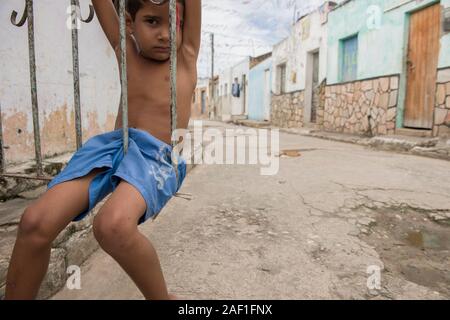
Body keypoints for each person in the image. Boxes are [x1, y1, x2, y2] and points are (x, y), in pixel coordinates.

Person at [5, 0, 201, 300]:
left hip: (156, 158)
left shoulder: (185, 58)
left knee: (111, 226)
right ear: (129, 23)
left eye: (171, 23)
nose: (164, 33)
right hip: (113, 147)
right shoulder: (126, 52)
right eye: (151, 21)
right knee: (34, 222)